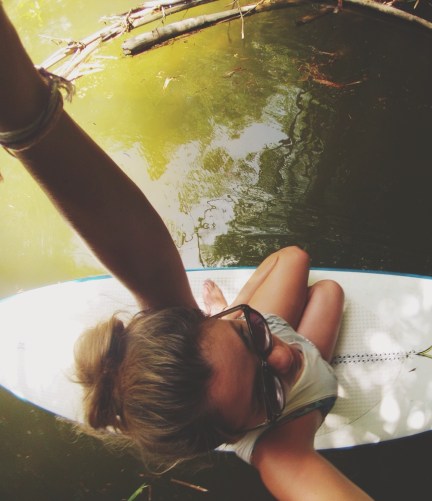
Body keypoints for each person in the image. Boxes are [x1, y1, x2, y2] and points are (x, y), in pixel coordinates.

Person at [0, 4, 372, 500]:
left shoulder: (258, 348)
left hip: (233, 329)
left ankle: (225, 321)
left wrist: (234, 322)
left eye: (250, 335)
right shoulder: (282, 454)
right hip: (307, 400)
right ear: (233, 434)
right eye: (264, 395)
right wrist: (249, 339)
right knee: (326, 294)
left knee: (304, 265)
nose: (282, 360)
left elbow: (273, 342)